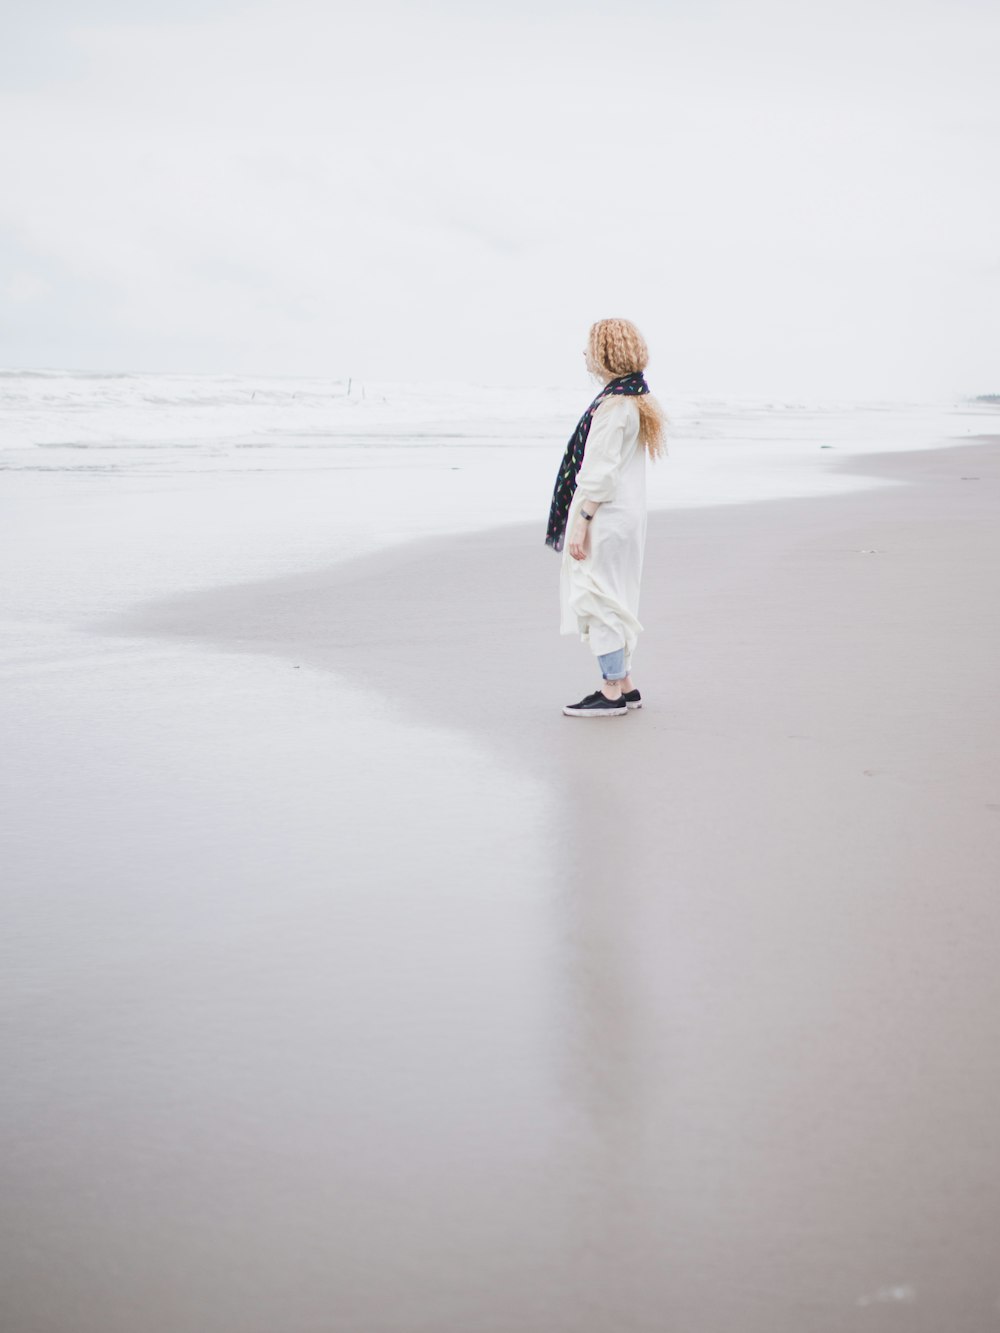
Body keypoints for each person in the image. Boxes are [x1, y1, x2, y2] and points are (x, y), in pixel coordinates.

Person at [545, 318, 667, 718]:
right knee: (612, 595)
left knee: (597, 597)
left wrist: (581, 521)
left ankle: (610, 691)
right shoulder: (634, 398)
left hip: (608, 515)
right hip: (625, 515)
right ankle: (626, 685)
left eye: (590, 348)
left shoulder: (615, 405)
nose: (584, 354)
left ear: (606, 355)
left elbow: (600, 471)